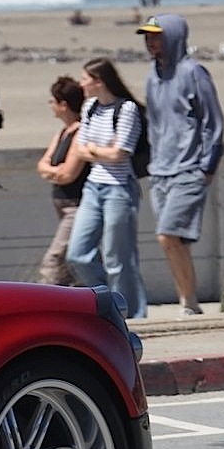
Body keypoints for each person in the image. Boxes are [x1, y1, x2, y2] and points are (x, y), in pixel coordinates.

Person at [138, 13, 224, 316]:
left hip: (189, 170)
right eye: (147, 37)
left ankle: (188, 302)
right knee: (174, 242)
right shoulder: (152, 75)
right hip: (159, 171)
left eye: (157, 36)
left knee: (167, 235)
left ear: (173, 36)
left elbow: (214, 122)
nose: (151, 42)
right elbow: (154, 124)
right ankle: (189, 302)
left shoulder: (193, 73)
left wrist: (207, 169)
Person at [65, 58, 148, 318]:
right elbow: (82, 148)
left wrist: (95, 151)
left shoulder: (126, 109)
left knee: (118, 260)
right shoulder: (90, 107)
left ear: (99, 81)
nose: (81, 84)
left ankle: (130, 315)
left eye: (85, 78)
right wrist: (101, 150)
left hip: (119, 189)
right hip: (93, 187)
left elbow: (120, 154)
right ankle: (105, 303)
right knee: (78, 254)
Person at [34, 76, 86, 284]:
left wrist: (53, 172)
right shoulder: (63, 132)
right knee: (71, 260)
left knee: (54, 259)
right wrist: (53, 170)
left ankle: (44, 302)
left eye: (53, 101)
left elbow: (68, 174)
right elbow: (42, 165)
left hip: (76, 206)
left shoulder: (80, 132)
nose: (51, 106)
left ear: (64, 105)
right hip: (62, 205)